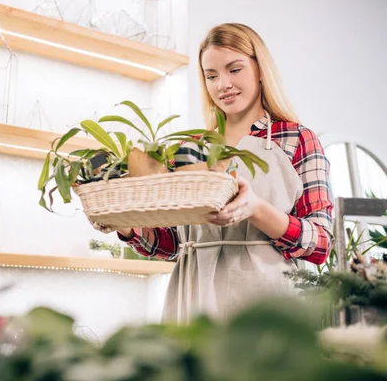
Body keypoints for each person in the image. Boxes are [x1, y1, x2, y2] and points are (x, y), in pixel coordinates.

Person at [93, 23, 334, 322]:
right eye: (211, 75)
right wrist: (126, 225)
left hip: (267, 305)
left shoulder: (297, 139)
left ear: (260, 69)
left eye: (234, 69)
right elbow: (172, 243)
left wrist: (256, 209)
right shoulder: (190, 146)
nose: (223, 84)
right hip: (193, 298)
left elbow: (320, 243)